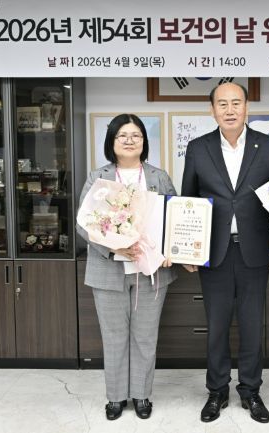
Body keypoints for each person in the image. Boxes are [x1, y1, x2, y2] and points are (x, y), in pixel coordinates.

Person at [181, 82, 269, 424]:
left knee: (253, 325)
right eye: (222, 104)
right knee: (216, 325)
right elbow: (189, 201)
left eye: (236, 103)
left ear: (246, 107)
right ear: (212, 109)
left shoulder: (268, 147)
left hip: (255, 251)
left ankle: (251, 390)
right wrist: (188, 251)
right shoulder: (198, 148)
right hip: (214, 252)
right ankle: (216, 391)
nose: (230, 110)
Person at [76, 114, 177, 421]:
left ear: (144, 141)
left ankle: (142, 395)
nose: (130, 140)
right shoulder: (98, 177)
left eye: (136, 135)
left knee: (145, 337)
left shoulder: (159, 176)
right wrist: (113, 247)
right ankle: (116, 397)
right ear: (112, 141)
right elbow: (84, 222)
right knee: (114, 337)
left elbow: (173, 216)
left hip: (151, 271)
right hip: (109, 270)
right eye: (123, 135)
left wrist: (171, 249)